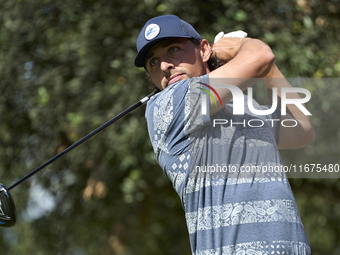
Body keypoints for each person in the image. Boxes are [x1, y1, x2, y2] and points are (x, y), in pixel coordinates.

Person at [135, 15, 315, 254]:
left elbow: (302, 129)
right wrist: (242, 46)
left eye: (173, 49)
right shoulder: (168, 105)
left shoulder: (245, 109)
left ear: (204, 50)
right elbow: (261, 56)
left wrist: (268, 69)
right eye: (153, 62)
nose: (164, 66)